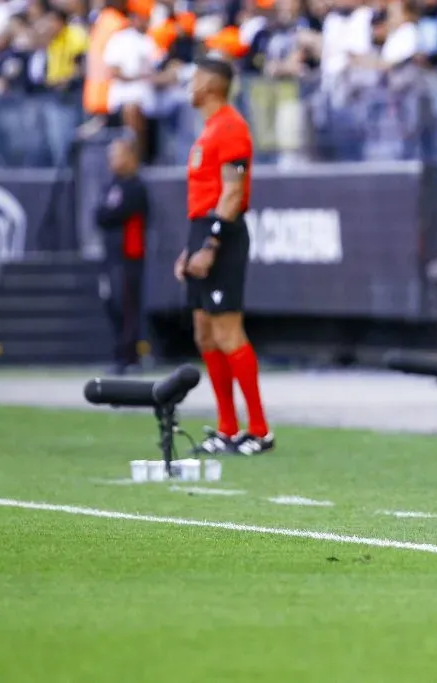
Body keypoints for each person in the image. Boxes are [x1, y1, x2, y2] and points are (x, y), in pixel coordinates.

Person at [173, 56, 274, 456]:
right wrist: (191, 247)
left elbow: (232, 193)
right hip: (203, 228)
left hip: (223, 234)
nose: (189, 83)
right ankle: (227, 427)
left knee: (228, 330)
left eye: (195, 77)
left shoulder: (231, 126)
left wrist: (211, 244)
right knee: (204, 332)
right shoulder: (210, 129)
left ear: (213, 85)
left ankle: (260, 430)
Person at [95, 136, 150, 375]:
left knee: (126, 305)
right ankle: (120, 354)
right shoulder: (112, 186)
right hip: (112, 256)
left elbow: (113, 214)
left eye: (118, 156)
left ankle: (130, 356)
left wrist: (108, 213)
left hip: (129, 256)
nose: (113, 162)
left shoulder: (136, 187)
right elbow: (100, 215)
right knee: (113, 304)